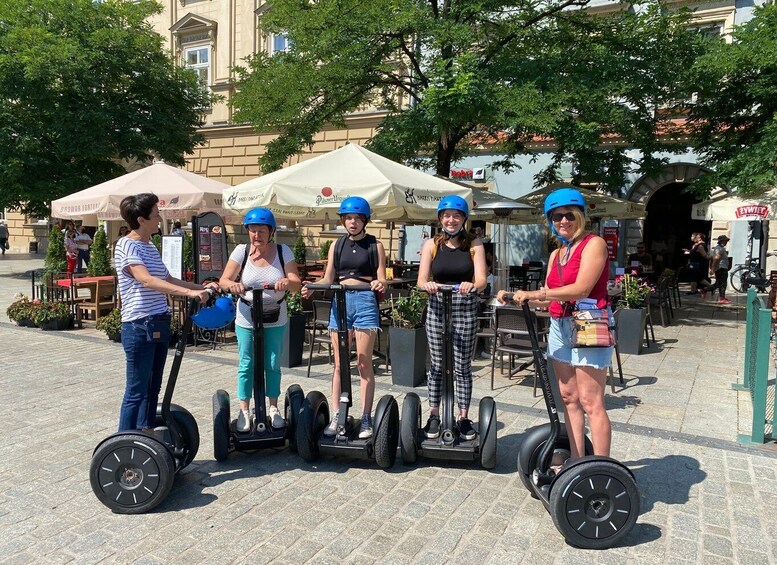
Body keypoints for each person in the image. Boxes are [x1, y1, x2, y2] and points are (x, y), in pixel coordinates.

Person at [497, 187, 612, 462]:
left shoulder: (594, 244)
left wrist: (537, 294)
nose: (563, 221)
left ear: (580, 216)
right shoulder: (556, 254)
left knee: (590, 400)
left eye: (569, 215)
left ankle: (600, 466)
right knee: (569, 396)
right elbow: (549, 300)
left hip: (589, 323)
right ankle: (576, 459)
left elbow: (582, 289)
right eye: (557, 216)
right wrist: (515, 297)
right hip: (560, 325)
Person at [114, 193, 216, 432]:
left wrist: (201, 287)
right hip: (139, 324)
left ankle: (145, 433)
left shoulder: (149, 245)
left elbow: (167, 278)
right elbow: (146, 280)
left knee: (153, 388)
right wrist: (189, 294)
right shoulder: (126, 244)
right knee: (136, 389)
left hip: (158, 320)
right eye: (156, 215)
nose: (160, 218)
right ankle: (123, 442)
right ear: (141, 219)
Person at [301, 196, 387, 439]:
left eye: (357, 218)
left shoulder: (375, 245)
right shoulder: (336, 246)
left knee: (363, 363)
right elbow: (329, 279)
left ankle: (367, 417)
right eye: (348, 218)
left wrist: (380, 284)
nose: (352, 222)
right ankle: (339, 414)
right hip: (340, 301)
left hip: (365, 301)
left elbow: (381, 277)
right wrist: (312, 286)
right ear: (342, 220)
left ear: (365, 221)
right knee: (339, 365)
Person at [219, 208, 302, 432]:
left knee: (273, 363)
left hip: (275, 315)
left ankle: (272, 407)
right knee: (247, 362)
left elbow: (296, 283)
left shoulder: (284, 251)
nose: (257, 235)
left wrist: (287, 281)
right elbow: (224, 280)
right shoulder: (241, 251)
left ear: (271, 231)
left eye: (262, 231)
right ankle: (244, 409)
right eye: (253, 231)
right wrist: (233, 285)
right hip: (247, 314)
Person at [417, 195, 487, 441]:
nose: (451, 220)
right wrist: (429, 285)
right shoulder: (431, 245)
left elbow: (482, 280)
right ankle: (434, 414)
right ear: (440, 219)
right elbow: (421, 280)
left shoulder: (474, 244)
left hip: (464, 308)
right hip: (437, 307)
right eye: (446, 216)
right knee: (436, 365)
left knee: (461, 367)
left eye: (456, 216)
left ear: (464, 219)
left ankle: (463, 416)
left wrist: (472, 285)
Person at [709, 235, 731, 304]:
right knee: (723, 283)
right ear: (722, 241)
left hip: (720, 268)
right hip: (721, 268)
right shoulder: (720, 249)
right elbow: (716, 258)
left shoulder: (718, 248)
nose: (727, 242)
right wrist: (713, 269)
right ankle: (722, 298)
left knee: (718, 283)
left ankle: (705, 290)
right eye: (725, 240)